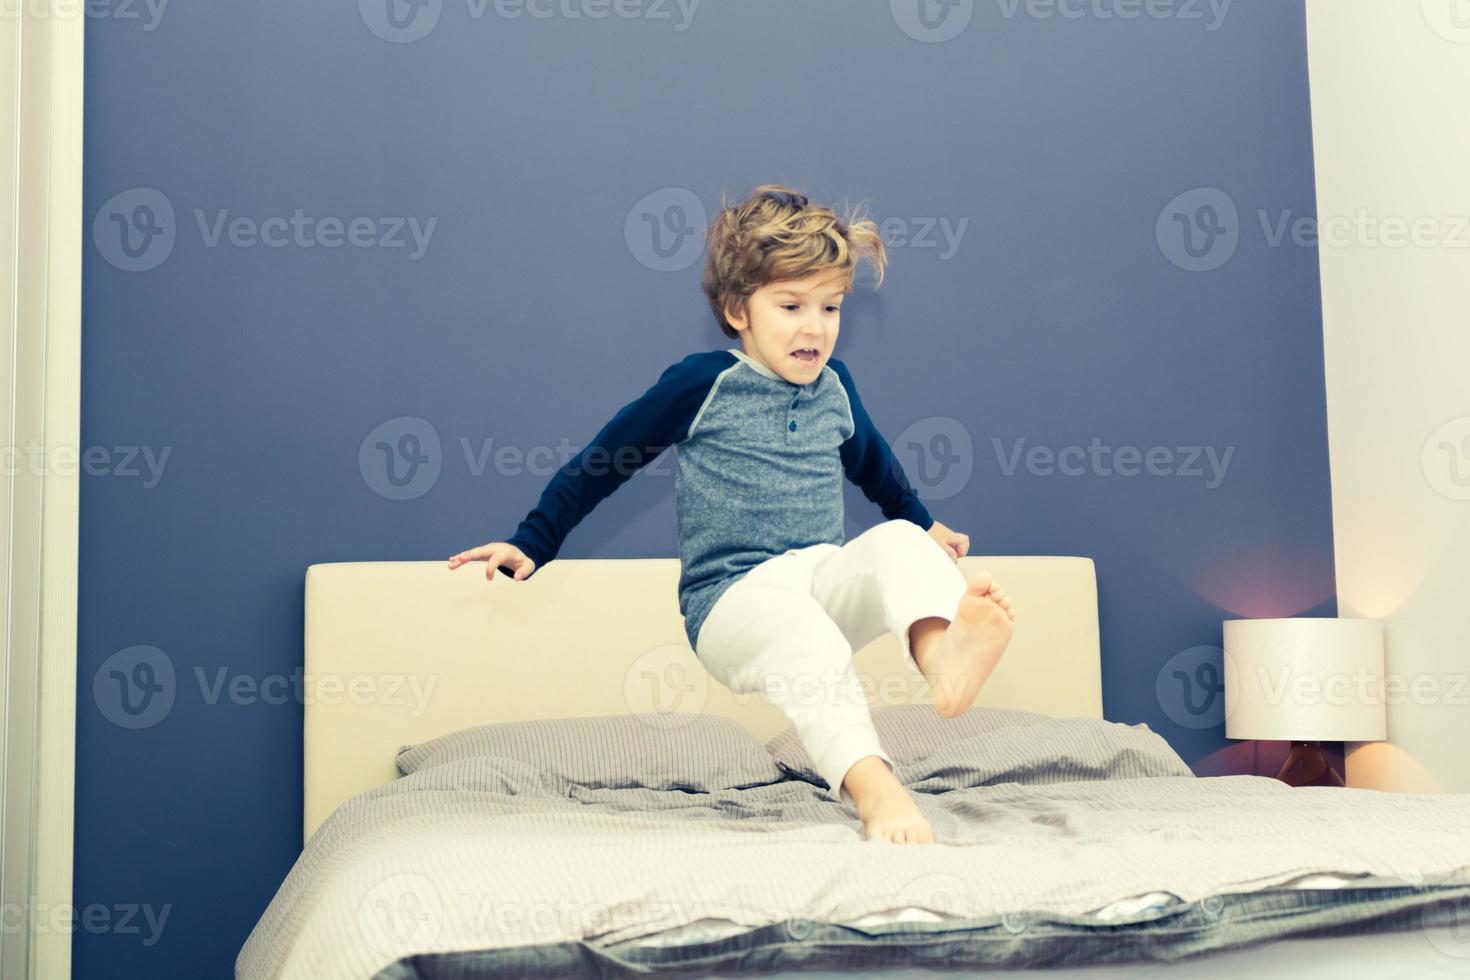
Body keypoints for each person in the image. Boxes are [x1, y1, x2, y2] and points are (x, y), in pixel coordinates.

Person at [449, 184, 1016, 843]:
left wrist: (923, 527)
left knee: (897, 540)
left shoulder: (836, 388)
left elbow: (876, 466)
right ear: (736, 309)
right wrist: (533, 541)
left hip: (819, 576)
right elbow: (605, 459)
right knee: (806, 637)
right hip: (733, 599)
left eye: (830, 307)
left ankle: (943, 658)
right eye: (791, 305)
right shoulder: (705, 382)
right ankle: (878, 792)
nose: (815, 326)